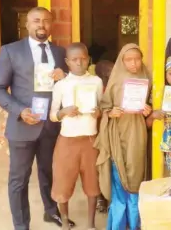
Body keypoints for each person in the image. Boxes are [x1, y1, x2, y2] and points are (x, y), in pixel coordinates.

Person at [0, 7, 76, 229]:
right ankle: (21, 225)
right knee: (19, 180)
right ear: (27, 25)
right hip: (22, 126)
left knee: (48, 172)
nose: (42, 25)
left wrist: (65, 76)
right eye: (36, 21)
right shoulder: (11, 51)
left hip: (51, 126)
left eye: (46, 21)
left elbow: (69, 87)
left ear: (52, 25)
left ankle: (50, 211)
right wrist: (20, 110)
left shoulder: (59, 53)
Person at [94, 43, 152, 230]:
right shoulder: (116, 79)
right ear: (122, 61)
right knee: (119, 178)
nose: (134, 63)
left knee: (136, 177)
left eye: (137, 59)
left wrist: (148, 110)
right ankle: (118, 225)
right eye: (129, 59)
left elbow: (152, 104)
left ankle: (134, 224)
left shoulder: (147, 77)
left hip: (138, 135)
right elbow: (104, 106)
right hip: (117, 135)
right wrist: (111, 113)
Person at [49, 43, 103, 230]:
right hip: (67, 141)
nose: (79, 62)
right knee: (63, 182)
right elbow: (52, 115)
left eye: (83, 58)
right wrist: (64, 112)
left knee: (92, 183)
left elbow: (101, 108)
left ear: (88, 59)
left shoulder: (96, 81)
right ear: (67, 62)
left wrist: (98, 113)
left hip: (90, 140)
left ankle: (91, 224)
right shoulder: (61, 85)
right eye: (74, 59)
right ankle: (64, 222)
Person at [94, 59, 115, 213]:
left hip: (114, 130)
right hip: (98, 131)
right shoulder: (96, 87)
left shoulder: (116, 86)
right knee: (100, 164)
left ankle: (109, 196)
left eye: (112, 70)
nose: (110, 73)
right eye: (106, 71)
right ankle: (101, 197)